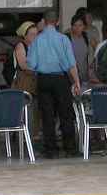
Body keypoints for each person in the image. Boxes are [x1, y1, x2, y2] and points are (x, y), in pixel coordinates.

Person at [27, 10, 82, 159]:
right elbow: (71, 63)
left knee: (47, 115)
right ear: (57, 22)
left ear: (44, 22)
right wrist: (76, 82)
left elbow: (31, 64)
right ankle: (70, 149)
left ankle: (50, 150)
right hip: (60, 79)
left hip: (43, 79)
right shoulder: (63, 39)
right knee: (65, 114)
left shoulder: (37, 40)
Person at [13, 21, 40, 138]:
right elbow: (23, 65)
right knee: (26, 110)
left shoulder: (37, 46)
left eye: (36, 34)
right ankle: (24, 137)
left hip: (35, 82)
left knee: (36, 111)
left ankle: (34, 136)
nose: (35, 36)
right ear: (25, 35)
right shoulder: (20, 46)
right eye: (32, 34)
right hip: (24, 82)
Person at [68, 13, 92, 87]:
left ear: (84, 26)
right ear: (71, 26)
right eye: (75, 25)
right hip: (70, 77)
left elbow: (89, 56)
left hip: (85, 77)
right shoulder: (67, 38)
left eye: (80, 25)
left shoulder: (86, 37)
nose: (77, 28)